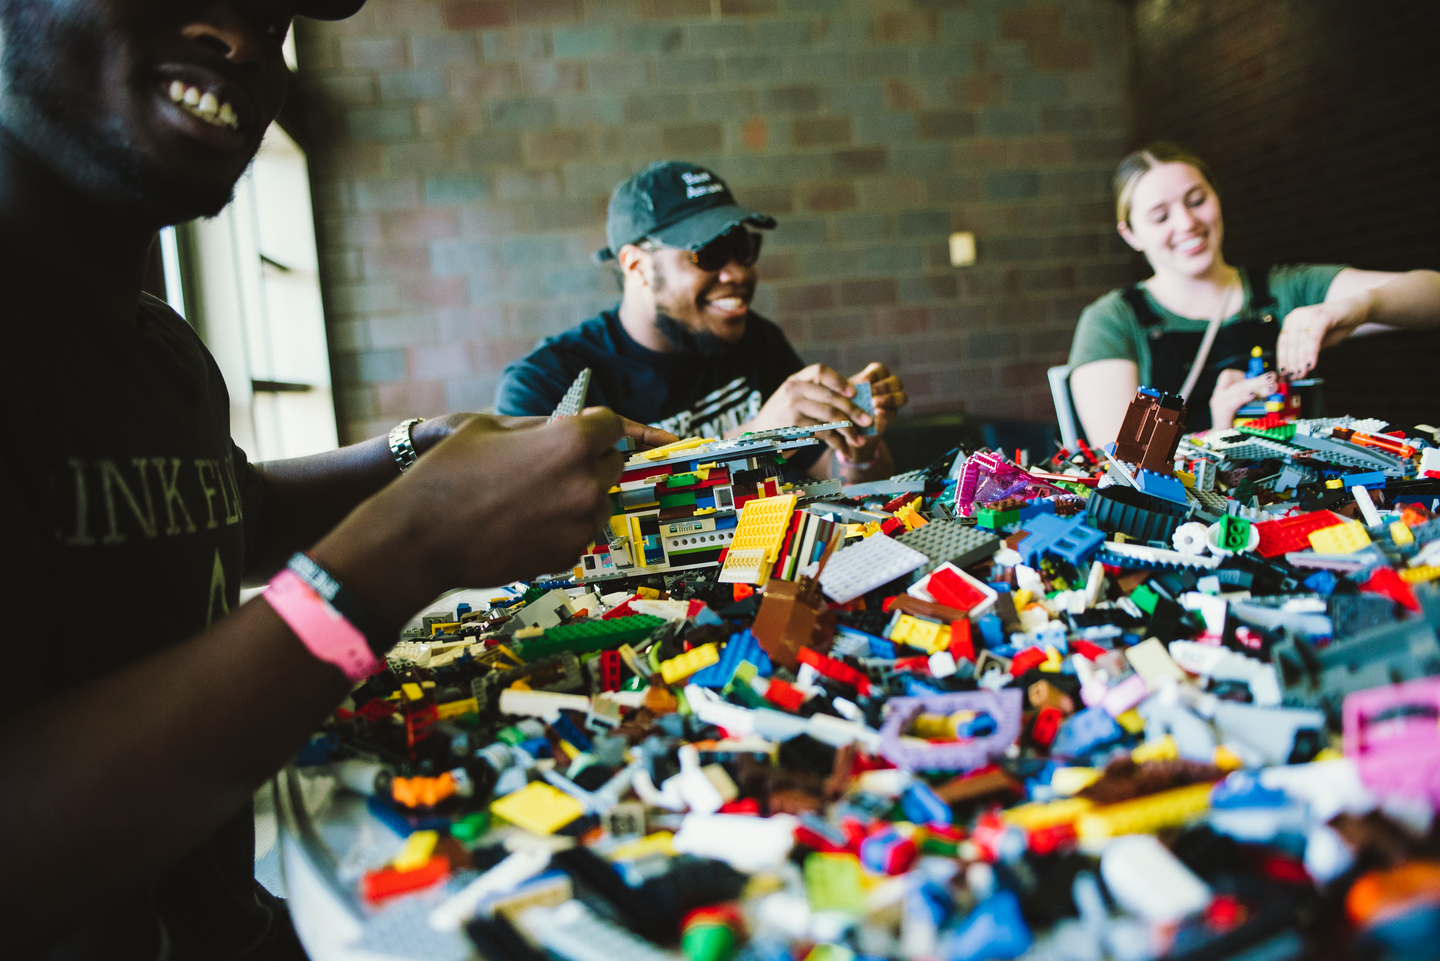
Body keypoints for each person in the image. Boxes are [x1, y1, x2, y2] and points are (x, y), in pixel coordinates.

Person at [0, 2, 674, 958]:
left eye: (270, 21)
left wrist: (416, 456)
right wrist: (411, 542)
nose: (238, 39)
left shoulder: (160, 350)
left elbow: (224, 516)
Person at [495, 161, 910, 482]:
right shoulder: (547, 385)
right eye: (707, 254)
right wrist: (753, 439)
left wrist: (859, 446)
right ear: (636, 266)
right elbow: (553, 530)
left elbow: (848, 482)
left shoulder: (756, 340)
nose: (738, 273)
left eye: (743, 248)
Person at [1066, 142, 1440, 444]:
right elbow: (1117, 461)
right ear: (1130, 234)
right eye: (1161, 216)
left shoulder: (1287, 288)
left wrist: (1361, 305)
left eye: (1197, 200)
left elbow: (1432, 293)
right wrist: (1218, 432)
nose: (1187, 222)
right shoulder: (1112, 321)